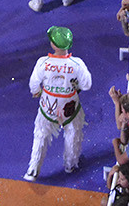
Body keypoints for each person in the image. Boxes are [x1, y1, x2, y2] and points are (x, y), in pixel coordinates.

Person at [24, 25, 92, 181]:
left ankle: (33, 170)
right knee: (73, 134)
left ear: (53, 45)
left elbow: (34, 84)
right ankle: (70, 164)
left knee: (40, 136)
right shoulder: (77, 64)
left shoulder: (43, 62)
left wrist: (38, 92)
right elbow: (87, 84)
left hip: (47, 107)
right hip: (70, 107)